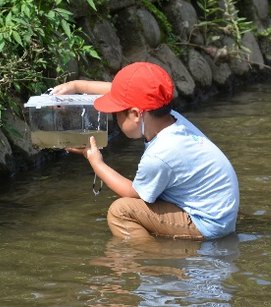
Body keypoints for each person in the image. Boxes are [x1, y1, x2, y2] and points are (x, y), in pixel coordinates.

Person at [52, 62, 239, 240]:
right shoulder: (170, 118)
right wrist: (76, 85)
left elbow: (133, 194)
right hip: (219, 209)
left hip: (209, 224)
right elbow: (123, 93)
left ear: (135, 114)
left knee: (122, 211)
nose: (114, 118)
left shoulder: (159, 154)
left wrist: (95, 162)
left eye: (116, 113)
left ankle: (148, 259)